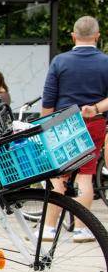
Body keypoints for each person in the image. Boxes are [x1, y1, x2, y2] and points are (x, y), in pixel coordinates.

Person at [41, 15, 108, 242]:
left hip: (63, 123)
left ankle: (49, 228)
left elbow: (48, 101)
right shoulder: (106, 62)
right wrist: (96, 107)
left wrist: (43, 128)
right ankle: (81, 228)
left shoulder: (60, 61)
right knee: (85, 175)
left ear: (73, 35)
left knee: (58, 174)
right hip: (94, 123)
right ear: (97, 36)